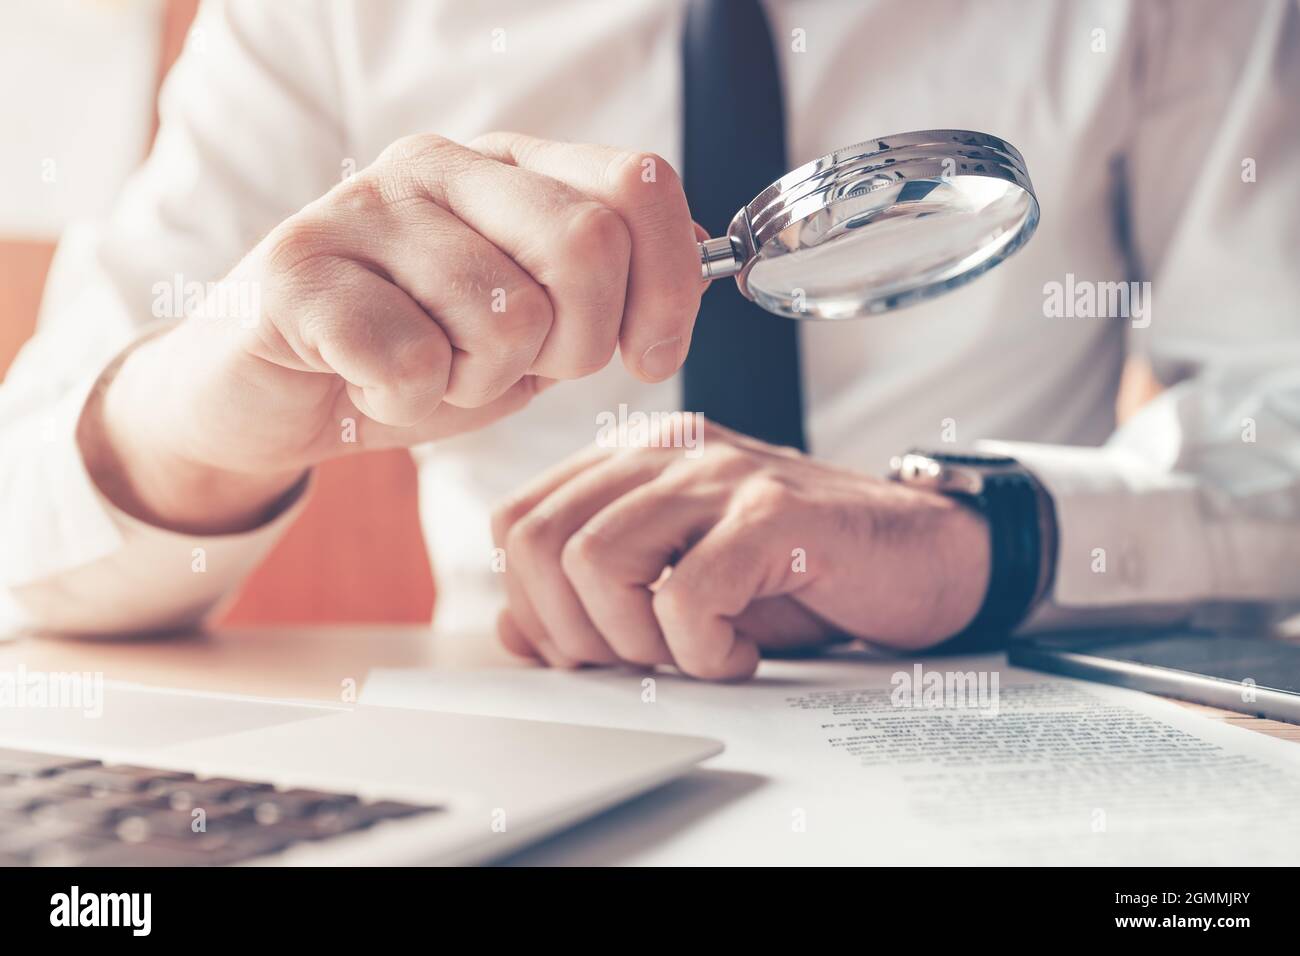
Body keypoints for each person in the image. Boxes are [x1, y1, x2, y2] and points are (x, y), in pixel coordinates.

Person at [2, 0, 1297, 680]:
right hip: (524, 723)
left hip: (1015, 699)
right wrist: (195, 422)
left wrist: (979, 537)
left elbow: (1278, 423)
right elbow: (21, 536)